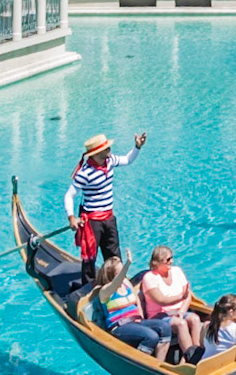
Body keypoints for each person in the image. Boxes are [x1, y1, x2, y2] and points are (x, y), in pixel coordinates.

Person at [65, 131, 147, 281]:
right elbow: (69, 195)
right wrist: (71, 217)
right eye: (107, 149)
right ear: (97, 153)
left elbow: (128, 160)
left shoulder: (110, 161)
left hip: (109, 217)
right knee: (90, 257)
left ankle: (118, 281)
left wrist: (137, 147)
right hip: (92, 221)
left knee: (114, 254)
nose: (110, 151)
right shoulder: (85, 173)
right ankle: (88, 288)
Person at [94, 255, 172, 358]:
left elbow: (137, 301)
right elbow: (116, 283)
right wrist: (128, 264)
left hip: (136, 321)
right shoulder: (105, 291)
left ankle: (159, 363)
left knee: (165, 327)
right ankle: (143, 363)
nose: (123, 275)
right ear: (111, 274)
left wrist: (140, 316)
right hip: (120, 326)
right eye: (120, 273)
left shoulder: (126, 283)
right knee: (151, 336)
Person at [141, 245, 203, 356]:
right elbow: (161, 300)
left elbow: (187, 295)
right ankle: (190, 356)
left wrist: (182, 311)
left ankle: (198, 350)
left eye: (172, 258)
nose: (172, 261)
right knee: (181, 324)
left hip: (179, 311)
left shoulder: (177, 271)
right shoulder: (149, 277)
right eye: (168, 259)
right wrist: (180, 298)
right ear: (158, 262)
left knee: (194, 318)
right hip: (159, 315)